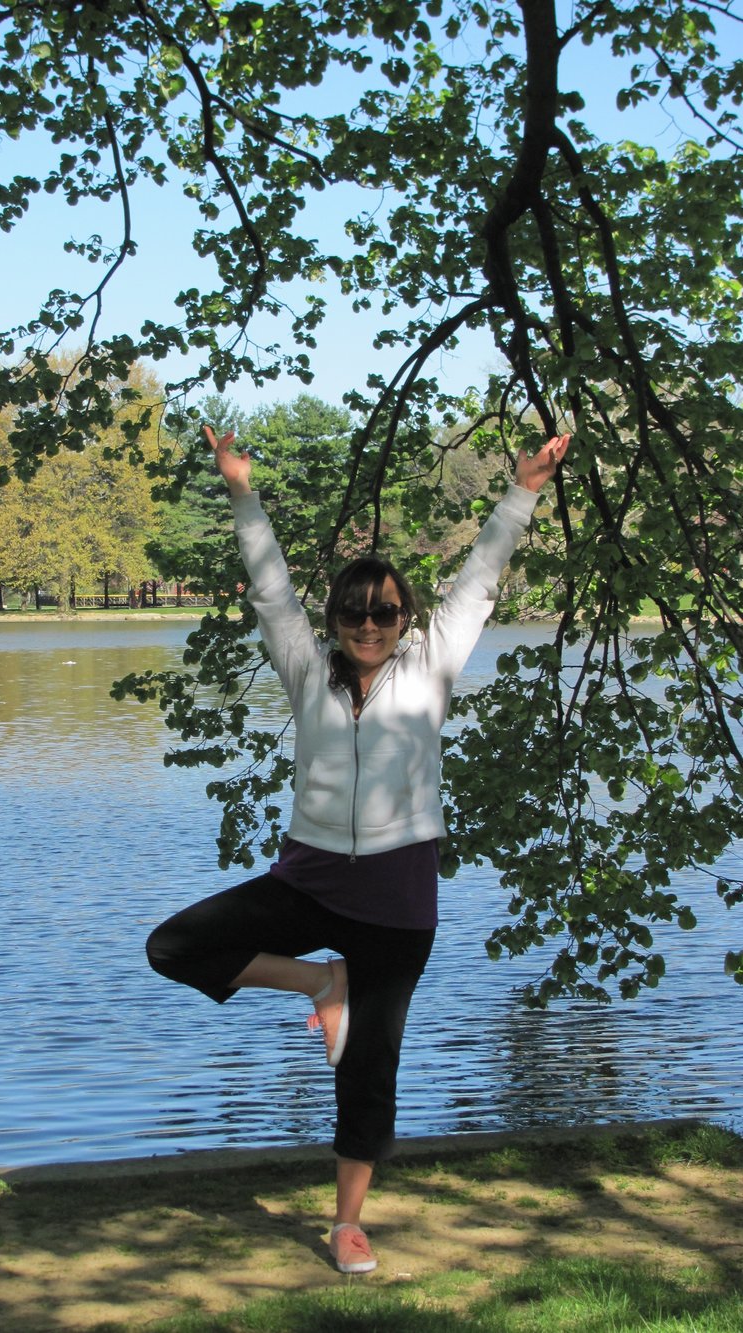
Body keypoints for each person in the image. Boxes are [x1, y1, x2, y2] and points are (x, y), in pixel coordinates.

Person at [146, 424, 570, 1274]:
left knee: (369, 1066)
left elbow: (480, 584)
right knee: (176, 944)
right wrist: (240, 490)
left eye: (383, 611)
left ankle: (346, 1222)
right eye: (352, 610)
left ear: (403, 616)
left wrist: (521, 492)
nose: (367, 623)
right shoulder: (308, 670)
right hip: (308, 875)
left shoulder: (430, 668)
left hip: (398, 896)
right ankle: (317, 979)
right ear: (336, 618)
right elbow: (271, 591)